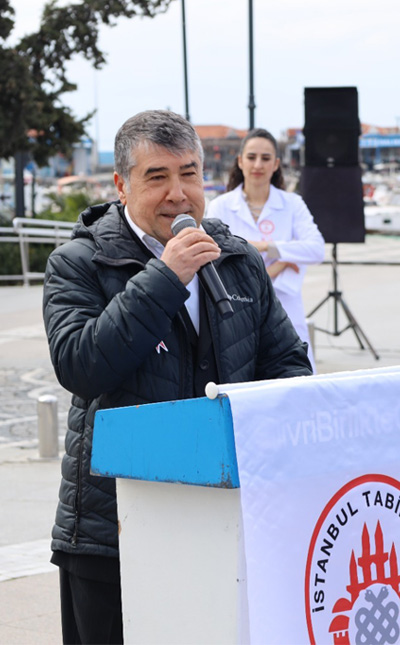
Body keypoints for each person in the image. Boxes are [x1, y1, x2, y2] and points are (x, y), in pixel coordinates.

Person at [44, 110, 313, 643]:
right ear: (122, 185)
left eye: (188, 174)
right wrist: (165, 277)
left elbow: (287, 366)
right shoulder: (78, 263)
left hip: (220, 521)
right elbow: (80, 365)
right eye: (157, 177)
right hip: (113, 532)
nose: (178, 193)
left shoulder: (236, 259)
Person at [209, 128, 326, 370]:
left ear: (276, 164)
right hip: (237, 310)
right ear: (240, 161)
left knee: (300, 379)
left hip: (287, 307)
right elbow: (217, 263)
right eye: (251, 157)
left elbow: (316, 249)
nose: (258, 164)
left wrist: (265, 247)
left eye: (266, 158)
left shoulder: (292, 204)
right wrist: (283, 261)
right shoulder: (221, 206)